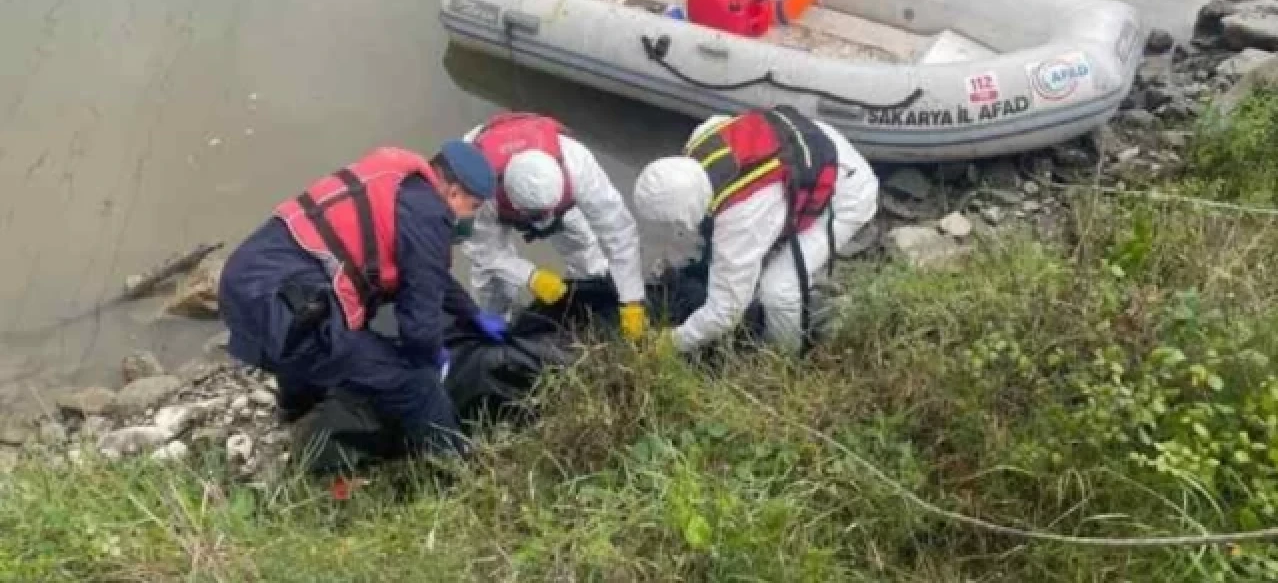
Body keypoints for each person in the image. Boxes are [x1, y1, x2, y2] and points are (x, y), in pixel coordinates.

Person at [217, 141, 507, 459]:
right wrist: (433, 357)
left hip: (244, 282)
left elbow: (426, 272)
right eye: (473, 206)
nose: (471, 217)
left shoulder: (396, 181)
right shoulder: (430, 215)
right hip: (284, 306)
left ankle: (296, 414)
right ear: (453, 192)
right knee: (414, 383)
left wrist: (470, 312)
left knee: (312, 340)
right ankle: (454, 467)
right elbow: (419, 328)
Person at [632, 105, 879, 355]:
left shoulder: (742, 219)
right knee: (739, 261)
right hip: (817, 142)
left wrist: (669, 343)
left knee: (778, 290)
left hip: (847, 193)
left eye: (673, 221)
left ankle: (783, 357)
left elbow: (726, 311)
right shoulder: (700, 141)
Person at [460, 112, 648, 341]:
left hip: (557, 201)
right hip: (495, 197)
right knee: (492, 279)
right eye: (536, 215)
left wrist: (631, 298)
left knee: (583, 247)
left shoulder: (577, 166)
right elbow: (483, 251)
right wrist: (530, 276)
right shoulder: (478, 186)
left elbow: (618, 232)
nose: (543, 221)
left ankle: (590, 297)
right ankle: (494, 322)